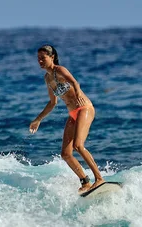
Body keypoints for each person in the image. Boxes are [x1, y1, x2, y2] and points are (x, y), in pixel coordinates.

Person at [29, 45, 105, 193]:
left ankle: (99, 178)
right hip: (73, 113)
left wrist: (79, 95)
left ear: (52, 57)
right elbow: (53, 103)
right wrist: (38, 119)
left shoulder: (60, 70)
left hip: (84, 108)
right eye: (38, 58)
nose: (40, 61)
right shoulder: (47, 78)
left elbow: (75, 82)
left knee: (78, 145)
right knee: (65, 153)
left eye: (43, 58)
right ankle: (85, 181)